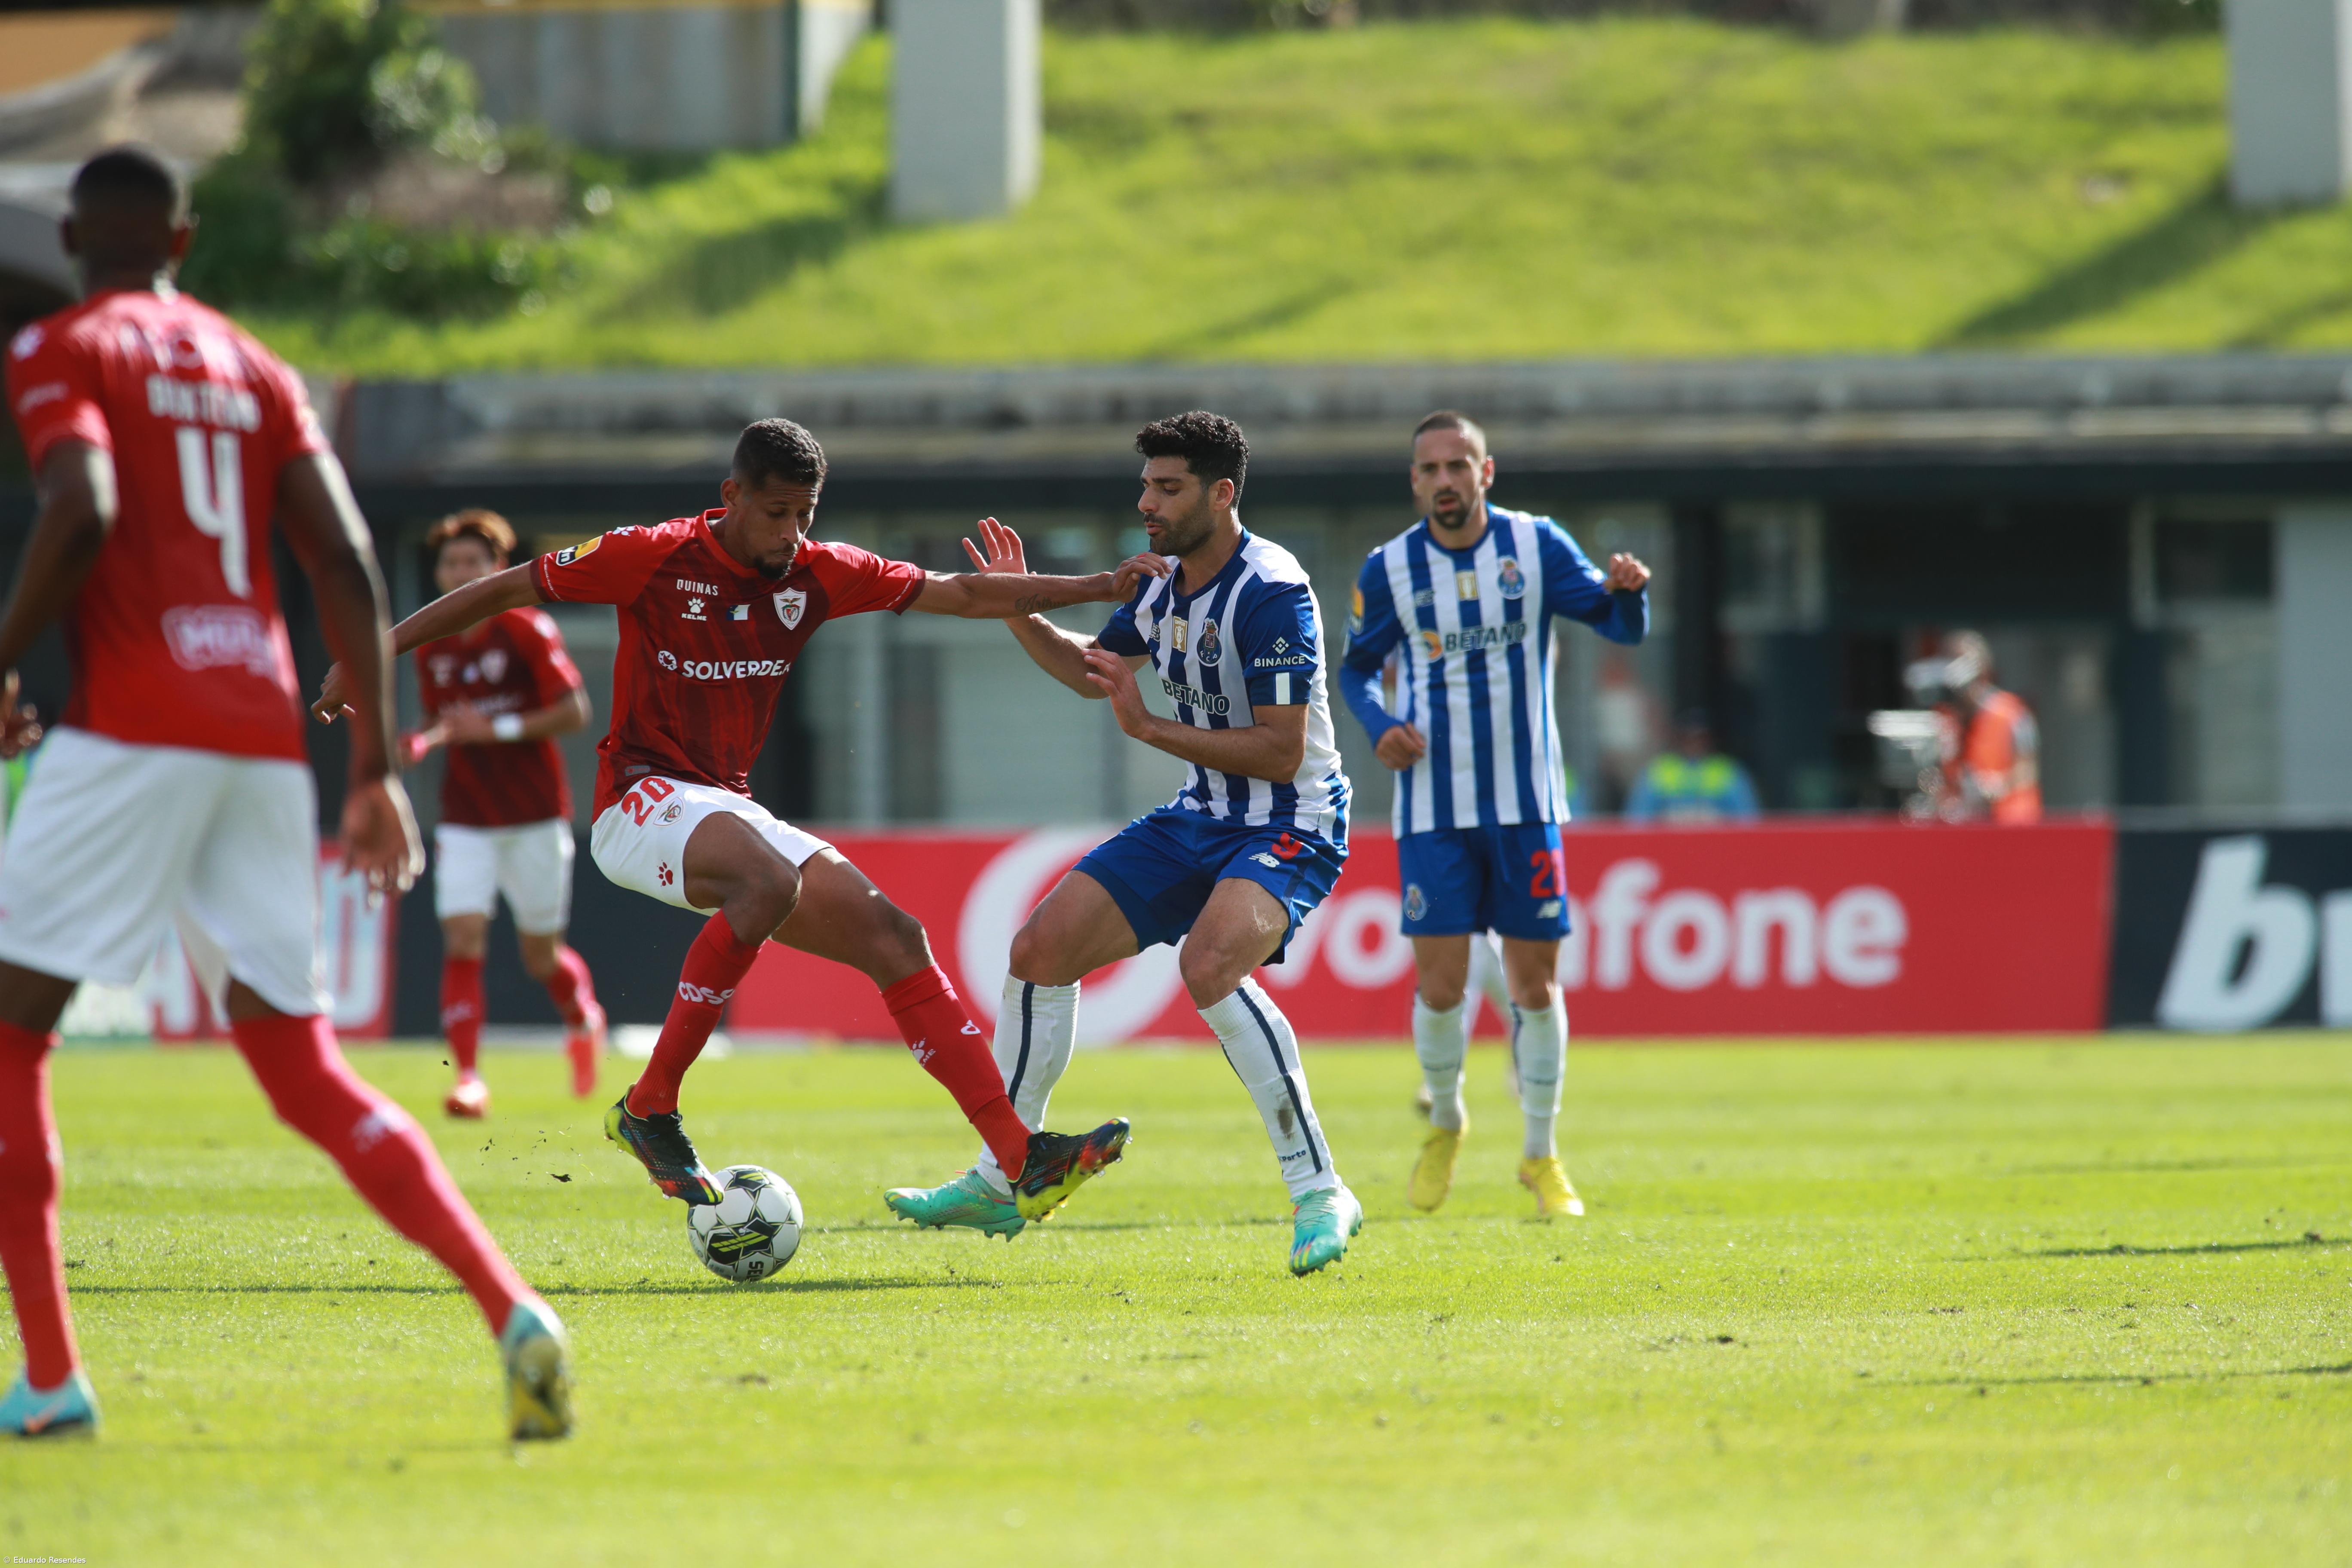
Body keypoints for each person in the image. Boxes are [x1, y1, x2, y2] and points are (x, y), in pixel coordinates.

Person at [0, 147, 570, 1441]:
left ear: (79, 234)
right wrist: (368, 764)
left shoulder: (59, 345)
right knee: (306, 1072)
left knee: (11, 1039)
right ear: (186, 242)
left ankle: (50, 1375)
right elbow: (346, 557)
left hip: (133, 730)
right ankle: (511, 1306)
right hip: (260, 738)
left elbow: (80, 507)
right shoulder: (260, 367)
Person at [316, 417, 1154, 1221]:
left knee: (895, 936)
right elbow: (501, 589)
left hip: (724, 802)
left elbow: (964, 593)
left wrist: (1094, 583)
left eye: (806, 515)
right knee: (767, 878)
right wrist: (370, 660)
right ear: (733, 496)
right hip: (639, 803)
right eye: (778, 512)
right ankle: (652, 1105)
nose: (793, 533)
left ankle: (1021, 1159)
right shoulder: (651, 555)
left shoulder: (819, 572)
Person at [884, 412, 1365, 1276]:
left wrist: (1148, 728)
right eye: (1146, 484)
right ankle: (1006, 1175)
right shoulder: (1155, 583)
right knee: (1039, 949)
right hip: (1200, 816)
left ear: (1222, 495)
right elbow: (1090, 673)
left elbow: (1281, 749)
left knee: (1212, 966)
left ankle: (1320, 1188)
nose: (1147, 502)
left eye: (1168, 487)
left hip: (1291, 822)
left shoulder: (1272, 590)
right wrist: (1017, 605)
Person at [1338, 410, 1650, 1221]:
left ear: (1486, 471)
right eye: (1429, 468)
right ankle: (1445, 1118)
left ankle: (1541, 1153)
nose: (1444, 479)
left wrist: (1630, 596)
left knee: (1533, 985)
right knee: (1441, 989)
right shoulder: (1390, 568)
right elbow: (1356, 672)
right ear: (1414, 482)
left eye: (1458, 464)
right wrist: (1379, 729)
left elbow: (1612, 621)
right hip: (1433, 809)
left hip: (1526, 804)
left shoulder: (1536, 545)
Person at [408, 508, 606, 1117]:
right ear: (439, 572)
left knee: (539, 956)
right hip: (466, 817)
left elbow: (575, 711)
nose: (462, 572)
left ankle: (582, 1020)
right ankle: (468, 1077)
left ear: (498, 568)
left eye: (475, 562)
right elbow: (453, 721)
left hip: (534, 815)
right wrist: (427, 739)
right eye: (452, 563)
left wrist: (496, 728)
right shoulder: (431, 643)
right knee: (463, 938)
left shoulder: (526, 629)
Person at [1938, 630, 2041, 824]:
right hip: (1963, 827)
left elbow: (2028, 769)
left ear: (1984, 670)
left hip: (2010, 826)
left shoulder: (2012, 713)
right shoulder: (1945, 720)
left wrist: (1998, 787)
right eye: (1951, 661)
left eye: (1964, 663)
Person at [1623, 711, 1759, 821]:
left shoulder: (1727, 771)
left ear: (1710, 739)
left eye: (1700, 738)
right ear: (1678, 739)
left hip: (1718, 847)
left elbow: (1748, 818)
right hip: (1668, 846)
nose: (1695, 744)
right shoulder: (1659, 771)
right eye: (1688, 738)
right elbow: (1638, 819)